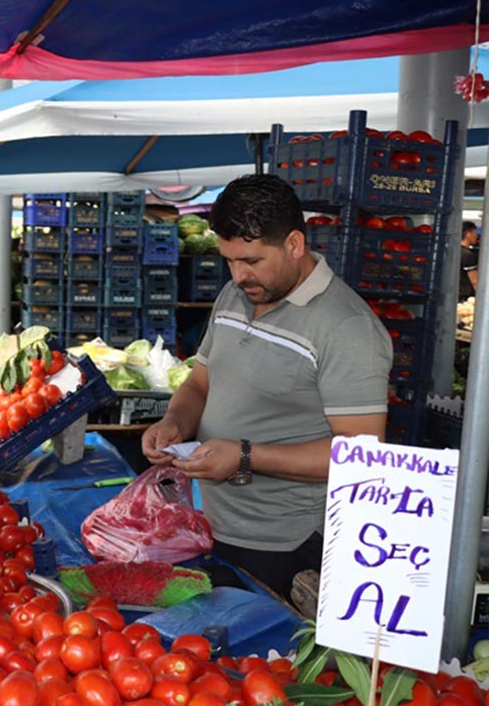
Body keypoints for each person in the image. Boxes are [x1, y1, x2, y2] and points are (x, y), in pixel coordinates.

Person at [140, 174, 391, 604]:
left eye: (252, 261)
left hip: (285, 544)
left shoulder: (348, 329)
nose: (238, 275)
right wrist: (174, 422)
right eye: (230, 260)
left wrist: (244, 456)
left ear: (294, 244)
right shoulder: (235, 295)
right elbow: (201, 380)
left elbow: (361, 452)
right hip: (211, 520)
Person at [460, 221, 479, 301]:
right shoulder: (468, 255)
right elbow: (474, 281)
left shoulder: (455, 251)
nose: (476, 236)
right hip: (466, 297)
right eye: (475, 233)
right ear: (468, 234)